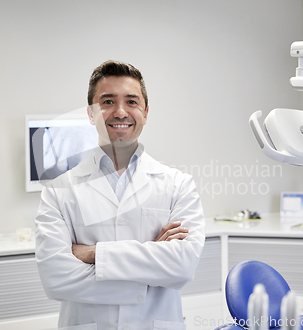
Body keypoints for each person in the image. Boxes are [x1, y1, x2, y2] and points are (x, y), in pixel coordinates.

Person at [35, 60, 205, 330]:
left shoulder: (178, 185)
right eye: (107, 101)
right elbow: (55, 279)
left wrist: (94, 254)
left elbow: (182, 268)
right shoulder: (58, 191)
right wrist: (150, 269)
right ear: (91, 113)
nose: (120, 111)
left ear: (146, 112)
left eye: (132, 101)